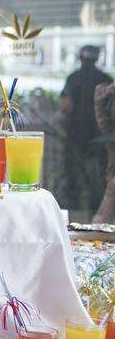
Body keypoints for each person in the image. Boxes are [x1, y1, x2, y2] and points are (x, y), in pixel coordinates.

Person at [60, 45, 111, 214]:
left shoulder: (73, 78)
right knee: (98, 174)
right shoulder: (105, 79)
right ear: (96, 59)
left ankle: (72, 209)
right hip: (99, 134)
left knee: (72, 172)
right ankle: (96, 207)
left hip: (75, 133)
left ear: (80, 58)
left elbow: (65, 105)